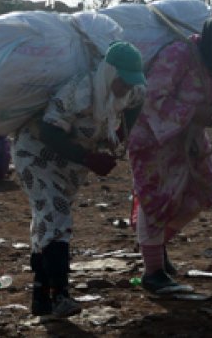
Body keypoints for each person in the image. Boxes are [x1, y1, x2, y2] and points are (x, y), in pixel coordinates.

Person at [13, 41, 146, 317]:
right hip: (37, 155)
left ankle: (41, 297)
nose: (125, 88)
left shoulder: (130, 91)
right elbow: (50, 132)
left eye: (130, 83)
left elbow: (138, 103)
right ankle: (60, 295)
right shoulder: (80, 91)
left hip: (70, 164)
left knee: (46, 221)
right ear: (110, 73)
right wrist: (89, 159)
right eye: (122, 81)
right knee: (56, 219)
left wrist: (121, 135)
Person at [127, 15, 212, 293]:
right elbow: (153, 96)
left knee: (201, 192)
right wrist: (194, 112)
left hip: (190, 139)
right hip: (152, 138)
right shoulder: (179, 56)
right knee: (156, 199)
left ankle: (156, 248)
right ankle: (153, 271)